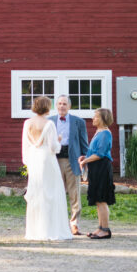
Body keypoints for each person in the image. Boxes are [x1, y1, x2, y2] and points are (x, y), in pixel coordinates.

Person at [21, 96, 71, 241]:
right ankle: (50, 229)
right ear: (47, 107)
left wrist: (28, 162)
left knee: (37, 193)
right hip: (47, 159)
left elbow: (25, 145)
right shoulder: (49, 124)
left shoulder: (27, 123)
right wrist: (59, 141)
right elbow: (54, 147)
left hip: (34, 159)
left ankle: (35, 230)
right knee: (51, 193)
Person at [51, 95, 89, 235]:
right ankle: (57, 222)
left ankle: (74, 223)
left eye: (64, 104)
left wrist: (86, 163)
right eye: (59, 103)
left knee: (75, 194)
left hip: (72, 160)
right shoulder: (50, 121)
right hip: (55, 161)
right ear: (56, 106)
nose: (62, 106)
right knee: (56, 193)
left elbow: (84, 143)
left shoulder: (78, 122)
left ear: (69, 106)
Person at [79, 108, 116, 239]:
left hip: (102, 168)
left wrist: (85, 161)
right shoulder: (99, 132)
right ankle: (100, 227)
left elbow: (100, 154)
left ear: (103, 118)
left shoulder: (106, 133)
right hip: (95, 168)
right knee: (97, 200)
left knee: (102, 199)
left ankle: (105, 230)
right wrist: (85, 158)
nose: (92, 119)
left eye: (95, 117)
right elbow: (93, 151)